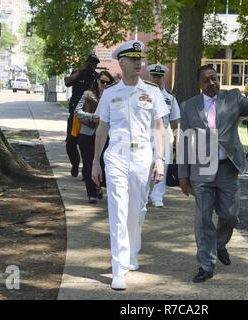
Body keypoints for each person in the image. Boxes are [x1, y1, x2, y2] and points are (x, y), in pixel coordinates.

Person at [178, 65, 248, 283]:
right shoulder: (188, 106)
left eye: (214, 78)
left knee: (230, 215)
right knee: (203, 218)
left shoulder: (233, 98)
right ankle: (206, 265)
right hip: (201, 170)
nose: (212, 83)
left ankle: (219, 243)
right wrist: (183, 174)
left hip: (227, 167)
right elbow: (183, 140)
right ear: (199, 84)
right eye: (206, 80)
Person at [91, 40, 169, 290]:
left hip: (142, 157)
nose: (139, 63)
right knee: (118, 209)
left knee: (137, 209)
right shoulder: (110, 93)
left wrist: (160, 159)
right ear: (122, 63)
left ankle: (132, 250)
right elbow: (102, 128)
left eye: (140, 59)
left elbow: (159, 128)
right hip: (116, 156)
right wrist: (95, 162)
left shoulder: (153, 92)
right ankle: (118, 268)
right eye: (133, 60)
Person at [74, 71, 115, 204]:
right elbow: (77, 111)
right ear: (97, 81)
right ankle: (91, 193)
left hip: (105, 135)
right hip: (87, 133)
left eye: (108, 83)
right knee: (88, 164)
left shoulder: (113, 97)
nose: (104, 84)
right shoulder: (88, 95)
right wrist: (92, 117)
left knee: (103, 163)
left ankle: (98, 186)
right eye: (102, 81)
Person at [146, 63, 181, 208]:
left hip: (163, 134)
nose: (156, 79)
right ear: (150, 76)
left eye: (159, 76)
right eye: (154, 76)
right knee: (145, 164)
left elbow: (174, 121)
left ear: (163, 78)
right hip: (145, 133)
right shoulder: (142, 95)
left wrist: (176, 140)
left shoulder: (170, 98)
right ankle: (143, 193)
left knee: (163, 166)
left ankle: (157, 196)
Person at [64, 53, 100, 177]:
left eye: (95, 63)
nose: (93, 65)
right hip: (75, 115)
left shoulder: (96, 77)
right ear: (86, 61)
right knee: (70, 143)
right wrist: (81, 70)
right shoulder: (77, 73)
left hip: (88, 115)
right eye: (91, 62)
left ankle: (86, 170)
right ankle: (75, 163)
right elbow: (68, 82)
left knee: (86, 144)